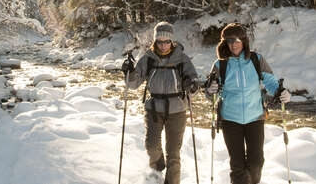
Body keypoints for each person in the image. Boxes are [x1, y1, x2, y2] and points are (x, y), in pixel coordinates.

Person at [204, 23, 291, 184]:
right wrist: (210, 90)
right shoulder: (220, 65)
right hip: (230, 119)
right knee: (237, 166)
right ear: (225, 44)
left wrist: (281, 92)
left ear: (244, 41)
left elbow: (271, 82)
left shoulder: (256, 60)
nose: (234, 44)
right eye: (229, 41)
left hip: (255, 117)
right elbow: (210, 92)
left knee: (256, 163)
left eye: (237, 40)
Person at [121, 21, 199, 184]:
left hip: (177, 110)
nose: (163, 45)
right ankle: (157, 169)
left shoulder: (182, 59)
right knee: (151, 146)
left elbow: (194, 82)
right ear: (155, 41)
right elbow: (133, 84)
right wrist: (128, 72)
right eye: (160, 41)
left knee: (173, 153)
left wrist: (191, 85)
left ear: (172, 41)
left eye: (166, 41)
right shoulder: (148, 59)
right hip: (154, 108)